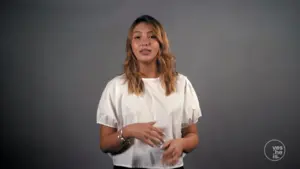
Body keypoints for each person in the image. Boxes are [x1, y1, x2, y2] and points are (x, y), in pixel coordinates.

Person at [96, 15, 202, 169]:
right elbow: (105, 144)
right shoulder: (116, 87)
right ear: (130, 45)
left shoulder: (181, 84)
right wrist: (128, 131)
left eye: (152, 36)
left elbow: (193, 136)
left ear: (161, 44)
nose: (144, 42)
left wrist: (182, 143)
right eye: (137, 37)